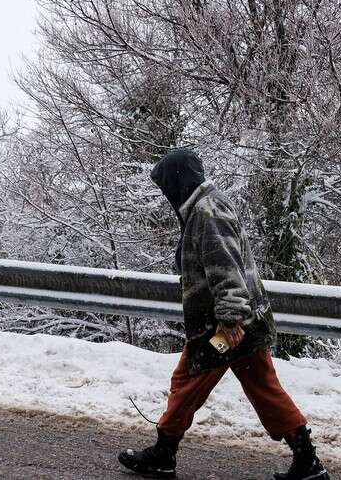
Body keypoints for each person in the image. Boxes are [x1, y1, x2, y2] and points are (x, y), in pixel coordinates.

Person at [118, 148, 329, 480]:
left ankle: (164, 453)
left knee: (189, 380)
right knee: (261, 387)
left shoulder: (208, 211)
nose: (165, 195)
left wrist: (230, 318)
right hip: (237, 323)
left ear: (178, 180)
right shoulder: (203, 207)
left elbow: (225, 265)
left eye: (166, 187)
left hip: (226, 329)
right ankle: (307, 461)